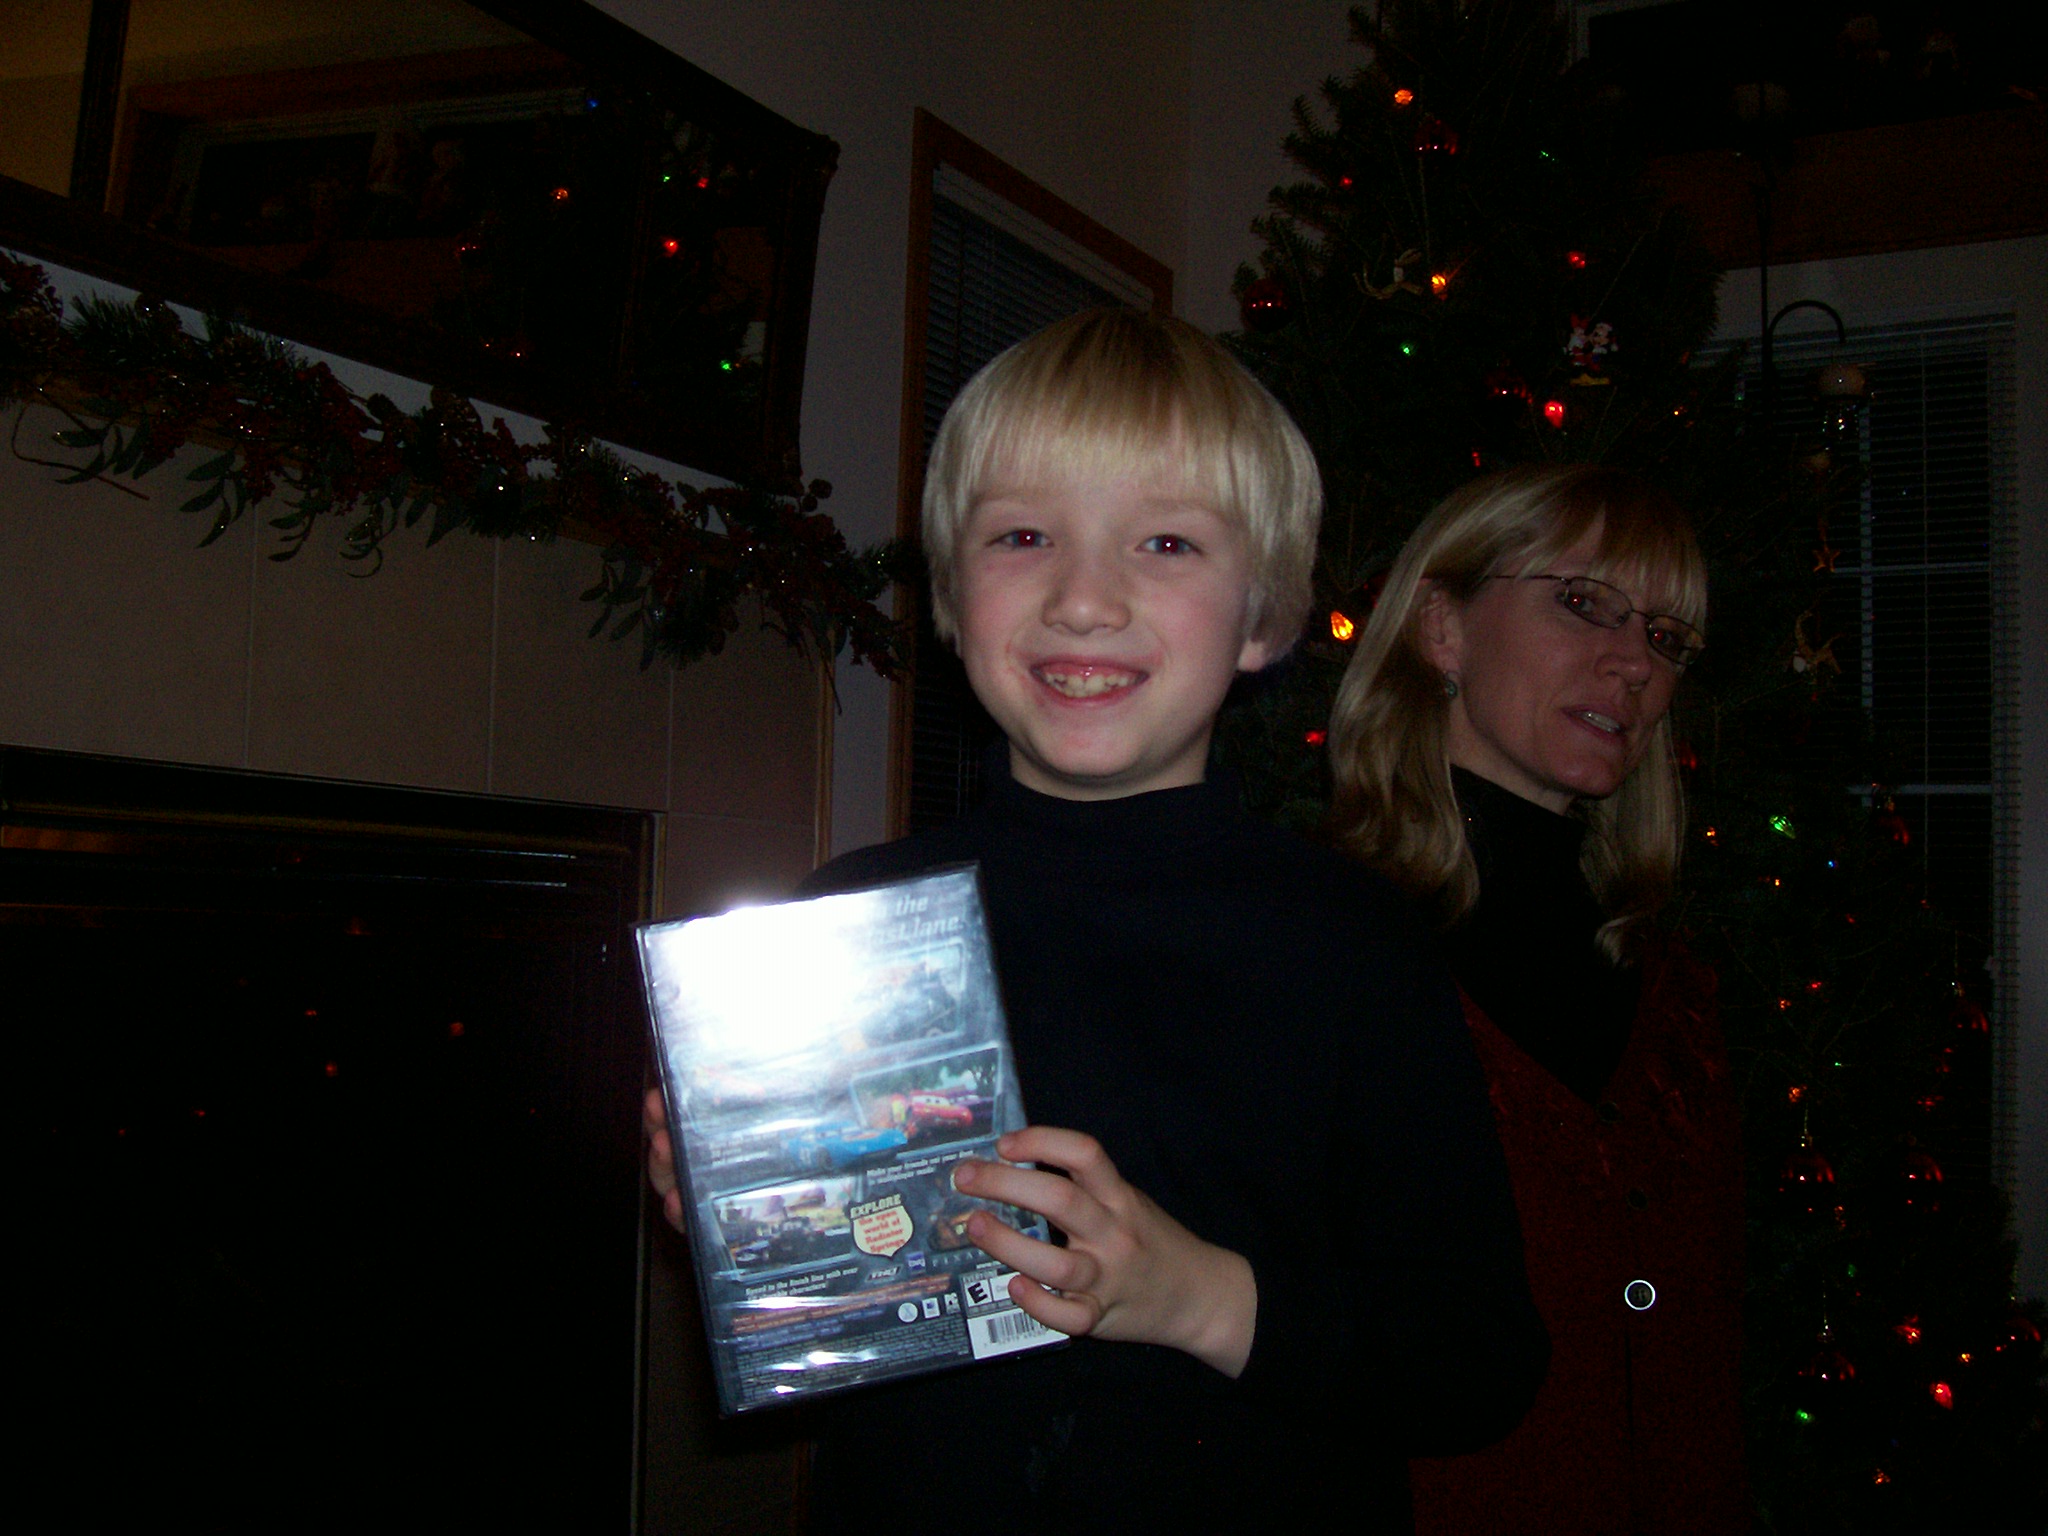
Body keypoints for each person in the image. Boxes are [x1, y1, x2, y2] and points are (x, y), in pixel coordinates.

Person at [647, 308, 1547, 1531]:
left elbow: (1476, 1360)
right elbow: (835, 1328)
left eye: (1165, 543)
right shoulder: (846, 926)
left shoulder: (1352, 945)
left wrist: (1198, 1298)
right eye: (1022, 536)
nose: (1081, 600)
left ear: (1262, 617)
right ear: (952, 592)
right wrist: (751, 1220)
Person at [1326, 464, 1747, 1535]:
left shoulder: (1677, 994)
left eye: (1665, 637)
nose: (1635, 662)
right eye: (1583, 602)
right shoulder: (1322, 955)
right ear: (1442, 627)